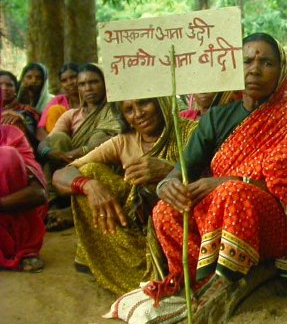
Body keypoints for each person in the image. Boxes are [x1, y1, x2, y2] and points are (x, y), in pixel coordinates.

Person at [145, 32, 287, 321]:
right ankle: (197, 280)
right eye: (246, 61)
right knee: (165, 210)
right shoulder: (216, 118)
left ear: (281, 70)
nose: (254, 69)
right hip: (217, 210)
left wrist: (226, 183)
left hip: (268, 216)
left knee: (232, 193)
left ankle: (226, 279)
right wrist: (167, 186)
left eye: (266, 62)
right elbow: (181, 171)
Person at [52, 98, 197, 294]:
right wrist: (90, 186)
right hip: (136, 232)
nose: (138, 114)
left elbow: (213, 174)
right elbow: (61, 174)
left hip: (181, 225)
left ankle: (170, 270)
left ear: (161, 102)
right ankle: (129, 266)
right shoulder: (123, 141)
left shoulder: (189, 132)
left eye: (144, 103)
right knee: (90, 171)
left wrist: (170, 171)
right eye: (129, 110)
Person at [0, 124, 47, 273]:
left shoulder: (12, 136)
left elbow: (38, 193)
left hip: (14, 213)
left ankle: (21, 247)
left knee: (7, 157)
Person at [36, 63, 80, 141]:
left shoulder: (92, 100)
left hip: (87, 145)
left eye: (73, 77)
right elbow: (40, 130)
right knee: (55, 110)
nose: (69, 82)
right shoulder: (58, 101)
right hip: (59, 144)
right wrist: (53, 147)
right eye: (64, 81)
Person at [0, 70, 40, 145]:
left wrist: (21, 121)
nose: (4, 88)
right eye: (0, 84)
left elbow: (35, 139)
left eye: (9, 85)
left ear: (16, 89)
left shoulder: (27, 111)